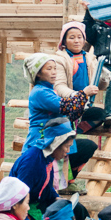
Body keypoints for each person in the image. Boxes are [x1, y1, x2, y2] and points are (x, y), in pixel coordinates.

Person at [22, 54, 98, 195]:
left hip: (55, 141)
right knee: (42, 179)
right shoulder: (40, 92)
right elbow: (65, 107)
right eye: (49, 69)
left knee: (87, 147)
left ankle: (62, 186)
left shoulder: (49, 90)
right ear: (38, 74)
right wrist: (84, 94)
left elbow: (68, 112)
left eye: (55, 68)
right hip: (43, 141)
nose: (54, 72)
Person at [9, 118, 76, 220]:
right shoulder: (32, 162)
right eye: (67, 146)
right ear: (56, 144)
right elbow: (18, 199)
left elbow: (47, 188)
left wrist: (57, 198)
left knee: (76, 210)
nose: (68, 151)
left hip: (34, 203)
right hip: (20, 208)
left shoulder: (48, 159)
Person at [54, 21, 111, 134]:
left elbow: (100, 85)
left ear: (84, 39)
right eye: (72, 37)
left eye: (80, 37)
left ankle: (78, 128)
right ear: (64, 41)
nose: (76, 41)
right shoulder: (59, 59)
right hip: (68, 104)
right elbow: (59, 86)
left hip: (84, 105)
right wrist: (80, 95)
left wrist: (104, 77)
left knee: (100, 115)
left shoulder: (89, 58)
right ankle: (71, 125)